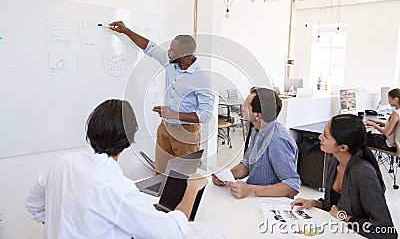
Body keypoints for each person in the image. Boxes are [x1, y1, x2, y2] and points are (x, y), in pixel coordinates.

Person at [25, 99, 207, 239]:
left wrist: (65, 226)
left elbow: (33, 205)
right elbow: (171, 232)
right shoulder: (116, 187)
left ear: (90, 129)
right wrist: (192, 188)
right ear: (129, 139)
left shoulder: (64, 162)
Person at [109, 21, 215, 173]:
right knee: (160, 172)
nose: (169, 52)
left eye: (173, 50)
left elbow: (205, 115)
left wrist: (175, 114)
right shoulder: (171, 61)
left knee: (184, 178)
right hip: (165, 128)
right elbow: (150, 47)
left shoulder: (201, 78)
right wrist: (126, 31)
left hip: (186, 133)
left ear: (184, 54)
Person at [291, 114, 397, 238]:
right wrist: (313, 203)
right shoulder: (334, 161)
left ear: (342, 148)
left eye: (325, 135)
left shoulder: (363, 173)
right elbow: (334, 207)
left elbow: (387, 232)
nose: (320, 137)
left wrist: (345, 217)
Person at [212, 87, 300, 199]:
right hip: (255, 198)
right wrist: (227, 176)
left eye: (246, 105)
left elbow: (292, 186)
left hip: (270, 204)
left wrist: (249, 190)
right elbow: (247, 164)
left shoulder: (276, 140)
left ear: (258, 115)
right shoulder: (258, 130)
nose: (242, 108)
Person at [365, 88, 400, 152]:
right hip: (395, 143)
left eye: (389, 99)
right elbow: (393, 126)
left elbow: (386, 132)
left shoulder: (395, 114)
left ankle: (366, 161)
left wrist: (373, 124)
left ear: (395, 99)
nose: (388, 101)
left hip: (389, 145)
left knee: (361, 138)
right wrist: (378, 122)